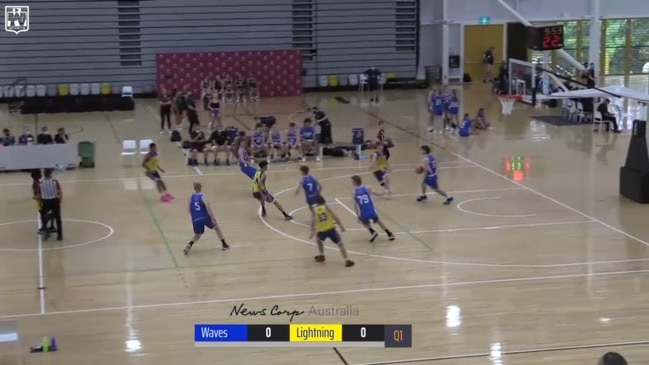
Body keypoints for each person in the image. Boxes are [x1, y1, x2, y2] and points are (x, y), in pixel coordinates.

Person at [184, 182, 230, 254]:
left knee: (198, 234)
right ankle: (224, 244)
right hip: (204, 217)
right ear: (201, 187)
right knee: (216, 227)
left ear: (194, 188)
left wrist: (193, 217)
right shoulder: (203, 196)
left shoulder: (191, 197)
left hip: (195, 218)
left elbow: (189, 209)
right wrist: (212, 218)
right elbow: (208, 208)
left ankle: (189, 245)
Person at [310, 195, 354, 267]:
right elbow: (335, 216)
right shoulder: (326, 207)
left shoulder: (314, 210)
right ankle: (347, 260)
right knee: (340, 244)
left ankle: (321, 255)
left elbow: (312, 222)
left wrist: (312, 232)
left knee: (318, 240)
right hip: (331, 229)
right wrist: (341, 226)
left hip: (321, 231)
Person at [351, 175, 395, 242]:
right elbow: (377, 194)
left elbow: (355, 206)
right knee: (379, 221)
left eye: (352, 181)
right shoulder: (367, 188)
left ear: (355, 182)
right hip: (371, 210)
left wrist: (357, 216)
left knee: (363, 222)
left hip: (363, 212)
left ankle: (372, 231)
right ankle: (389, 233)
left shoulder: (354, 192)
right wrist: (385, 191)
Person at [39, 169, 63, 241]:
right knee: (58, 218)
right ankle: (60, 235)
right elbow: (59, 191)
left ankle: (45, 231)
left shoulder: (41, 183)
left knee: (43, 216)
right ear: (50, 174)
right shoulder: (55, 181)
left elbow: (40, 194)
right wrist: (60, 200)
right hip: (54, 200)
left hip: (45, 201)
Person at [32, 169, 55, 235]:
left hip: (40, 201)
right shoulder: (36, 183)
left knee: (46, 214)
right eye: (40, 173)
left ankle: (47, 227)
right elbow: (38, 194)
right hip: (40, 202)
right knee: (47, 214)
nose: (41, 174)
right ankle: (44, 227)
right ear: (37, 175)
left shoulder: (37, 182)